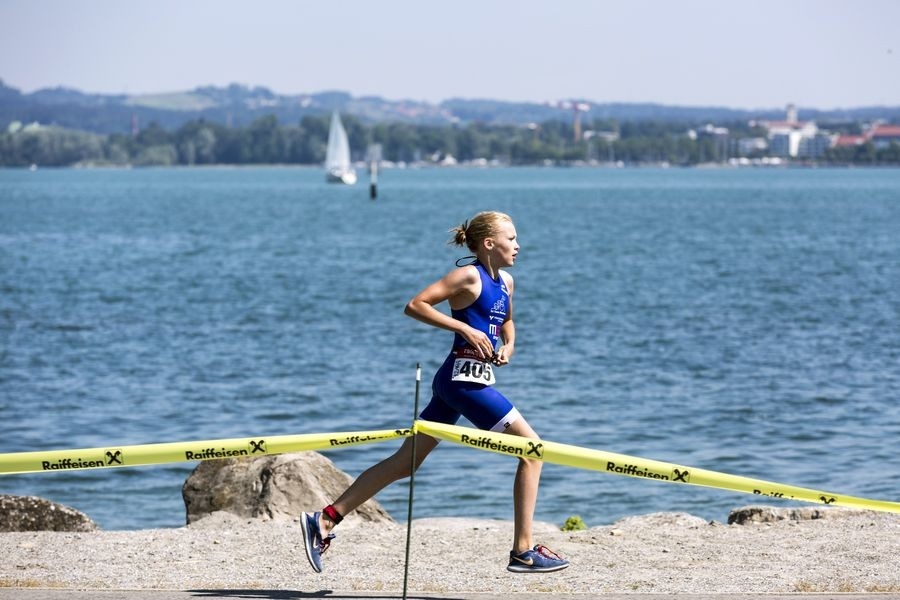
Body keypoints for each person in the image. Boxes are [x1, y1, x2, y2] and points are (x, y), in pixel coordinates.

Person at [300, 211, 569, 574]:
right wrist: (464, 329)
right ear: (489, 244)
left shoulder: (506, 282)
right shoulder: (468, 277)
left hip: (460, 382)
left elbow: (506, 321)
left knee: (406, 462)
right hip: (463, 385)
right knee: (533, 452)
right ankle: (522, 551)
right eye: (512, 239)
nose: (518, 245)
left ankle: (325, 519)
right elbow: (415, 305)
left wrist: (508, 346)